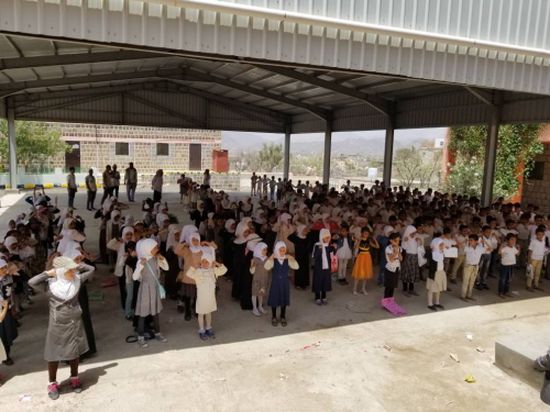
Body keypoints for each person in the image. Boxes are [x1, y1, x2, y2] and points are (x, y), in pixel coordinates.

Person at [28, 256, 95, 400]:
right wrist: (48, 273)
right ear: (60, 271)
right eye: (69, 270)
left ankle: (74, 377)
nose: (73, 272)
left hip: (74, 323)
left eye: (72, 269)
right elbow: (31, 282)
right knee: (54, 355)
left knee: (74, 352)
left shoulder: (76, 280)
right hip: (57, 325)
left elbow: (92, 269)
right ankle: (52, 383)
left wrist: (78, 265)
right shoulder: (49, 286)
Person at [132, 238, 169, 348]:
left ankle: (157, 333)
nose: (157, 249)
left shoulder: (155, 258)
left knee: (155, 312)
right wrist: (140, 266)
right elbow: (135, 277)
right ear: (148, 249)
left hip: (154, 288)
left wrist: (162, 260)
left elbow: (166, 268)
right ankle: (140, 337)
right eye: (155, 248)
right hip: (145, 289)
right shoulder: (141, 260)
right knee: (143, 313)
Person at [186, 246, 227, 340]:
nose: (205, 263)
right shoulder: (198, 271)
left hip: (210, 297)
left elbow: (224, 270)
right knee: (201, 314)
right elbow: (189, 274)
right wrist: (194, 267)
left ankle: (208, 327)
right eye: (203, 261)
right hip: (201, 297)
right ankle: (201, 330)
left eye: (207, 261)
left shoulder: (213, 271)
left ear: (210, 262)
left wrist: (216, 263)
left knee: (208, 313)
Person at [265, 241, 299, 327]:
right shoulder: (274, 259)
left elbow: (296, 267)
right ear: (276, 250)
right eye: (280, 250)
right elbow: (266, 267)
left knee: (284, 299)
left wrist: (292, 258)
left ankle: (283, 316)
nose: (282, 252)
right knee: (274, 299)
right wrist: (271, 258)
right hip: (275, 282)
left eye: (284, 250)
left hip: (284, 283)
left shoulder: (287, 259)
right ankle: (273, 316)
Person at [351, 227, 379, 295]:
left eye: (367, 234)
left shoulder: (369, 241)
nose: (366, 235)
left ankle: (363, 289)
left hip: (367, 257)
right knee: (358, 274)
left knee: (366, 274)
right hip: (360, 257)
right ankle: (354, 289)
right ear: (362, 233)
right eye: (365, 233)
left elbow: (377, 247)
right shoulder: (359, 239)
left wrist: (375, 240)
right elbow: (356, 247)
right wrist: (359, 240)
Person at [312, 229, 335, 304]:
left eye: (328, 237)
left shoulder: (329, 246)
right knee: (318, 281)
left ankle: (324, 295)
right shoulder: (317, 245)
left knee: (325, 280)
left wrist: (334, 247)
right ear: (321, 237)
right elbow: (315, 256)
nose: (328, 239)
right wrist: (320, 250)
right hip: (319, 267)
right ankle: (317, 296)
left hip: (326, 267)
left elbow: (333, 254)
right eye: (326, 238)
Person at [461, 234, 484, 301]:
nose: (470, 242)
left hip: (475, 266)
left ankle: (469, 295)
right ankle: (463, 296)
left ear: (476, 241)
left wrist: (483, 242)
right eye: (469, 240)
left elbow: (490, 249)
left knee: (472, 282)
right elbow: (459, 245)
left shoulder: (480, 248)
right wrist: (465, 241)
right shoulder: (467, 247)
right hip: (468, 266)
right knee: (465, 281)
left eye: (471, 240)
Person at [250, 242, 270, 316]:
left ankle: (260, 306)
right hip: (257, 279)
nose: (266, 251)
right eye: (264, 250)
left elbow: (269, 268)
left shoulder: (266, 258)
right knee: (255, 293)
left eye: (266, 250)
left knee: (261, 293)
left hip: (264, 279)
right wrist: (252, 265)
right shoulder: (255, 259)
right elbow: (252, 271)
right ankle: (254, 308)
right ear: (259, 250)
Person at [498, 233, 519, 299]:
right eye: (512, 240)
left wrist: (519, 248)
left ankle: (506, 292)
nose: (513, 241)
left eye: (515, 240)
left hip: (511, 265)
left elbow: (517, 254)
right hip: (504, 266)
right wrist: (501, 245)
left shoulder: (513, 248)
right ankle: (501, 292)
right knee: (503, 279)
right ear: (507, 240)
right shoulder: (505, 247)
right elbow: (499, 252)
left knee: (508, 279)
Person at [527, 227, 546, 292]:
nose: (540, 236)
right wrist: (529, 259)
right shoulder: (533, 241)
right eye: (539, 234)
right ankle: (528, 286)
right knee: (531, 273)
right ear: (536, 234)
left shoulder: (543, 241)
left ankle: (536, 285)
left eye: (542, 234)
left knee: (537, 273)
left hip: (540, 259)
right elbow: (530, 251)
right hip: (533, 259)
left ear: (543, 235)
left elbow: (543, 249)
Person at [384, 232, 402, 299]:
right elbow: (391, 260)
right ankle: (386, 301)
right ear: (391, 240)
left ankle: (390, 300)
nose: (397, 242)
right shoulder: (388, 248)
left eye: (398, 240)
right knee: (388, 286)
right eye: (396, 241)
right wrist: (396, 252)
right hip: (390, 269)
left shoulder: (399, 248)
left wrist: (398, 251)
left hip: (396, 268)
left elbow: (401, 258)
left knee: (393, 286)